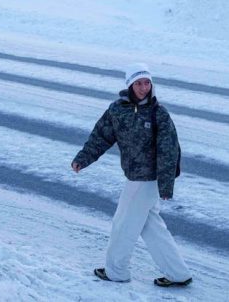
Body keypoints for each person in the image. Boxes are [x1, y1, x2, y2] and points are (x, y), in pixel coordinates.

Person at [71, 63, 191, 288]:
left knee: (123, 224)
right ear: (129, 85)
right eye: (138, 83)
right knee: (151, 227)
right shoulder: (118, 110)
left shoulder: (158, 113)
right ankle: (178, 273)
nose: (144, 88)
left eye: (147, 83)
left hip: (147, 180)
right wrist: (83, 158)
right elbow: (100, 137)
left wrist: (166, 185)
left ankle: (116, 271)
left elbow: (169, 151)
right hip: (134, 176)